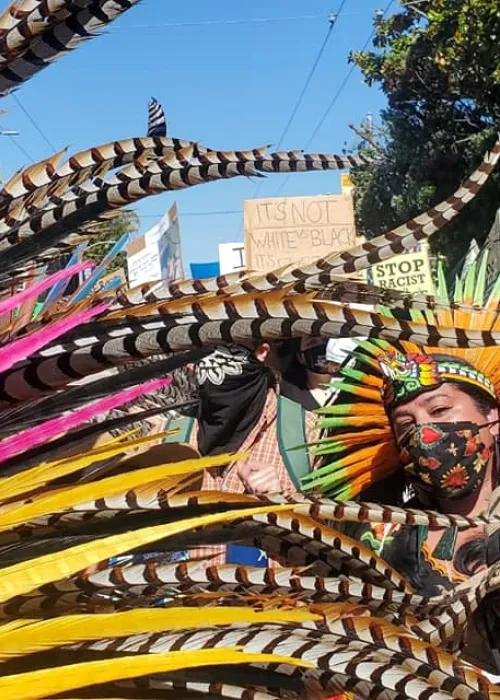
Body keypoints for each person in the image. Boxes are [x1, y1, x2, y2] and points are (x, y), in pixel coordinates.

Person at [311, 340, 500, 677]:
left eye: (440, 410)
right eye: (405, 426)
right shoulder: (379, 536)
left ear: (491, 416)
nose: (424, 433)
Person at [165, 337, 349, 565]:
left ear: (261, 352)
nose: (202, 363)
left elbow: (334, 560)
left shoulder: (310, 438)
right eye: (198, 350)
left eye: (219, 349)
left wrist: (283, 511)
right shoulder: (168, 439)